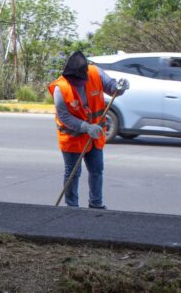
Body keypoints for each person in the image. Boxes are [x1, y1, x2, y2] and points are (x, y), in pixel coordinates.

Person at [48, 51, 129, 209]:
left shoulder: (95, 73)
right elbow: (64, 117)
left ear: (84, 75)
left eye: (78, 81)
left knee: (97, 170)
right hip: (72, 138)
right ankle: (72, 207)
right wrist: (85, 127)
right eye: (72, 80)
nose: (75, 83)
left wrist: (120, 87)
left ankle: (96, 204)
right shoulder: (60, 89)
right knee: (73, 174)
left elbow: (113, 89)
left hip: (95, 136)